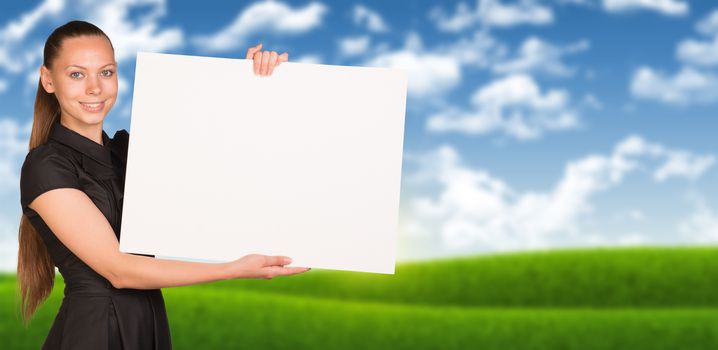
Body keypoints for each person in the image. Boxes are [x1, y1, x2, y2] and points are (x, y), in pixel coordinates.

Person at [16, 20, 309, 350]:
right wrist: (232, 269)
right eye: (76, 74)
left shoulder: (130, 150)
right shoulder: (46, 165)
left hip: (149, 322)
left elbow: (216, 156)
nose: (95, 87)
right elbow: (119, 270)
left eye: (107, 72)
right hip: (96, 330)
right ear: (48, 79)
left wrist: (250, 83)